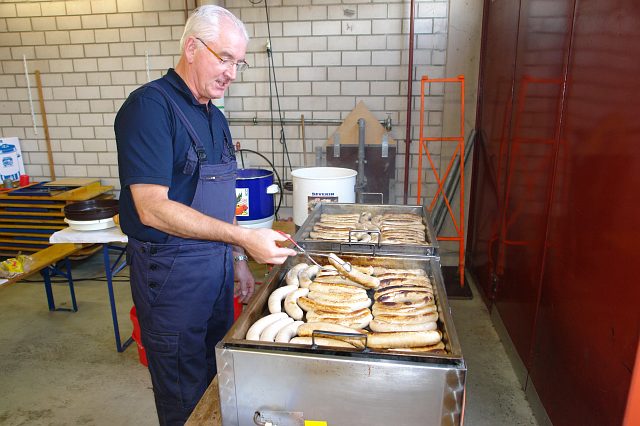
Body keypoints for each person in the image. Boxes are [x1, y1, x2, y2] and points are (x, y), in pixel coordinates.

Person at [114, 5, 297, 425]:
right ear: (192, 48)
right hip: (171, 279)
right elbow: (151, 208)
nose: (232, 73)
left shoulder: (215, 117)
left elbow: (220, 199)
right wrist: (243, 239)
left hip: (215, 270)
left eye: (239, 63)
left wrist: (237, 259)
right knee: (183, 392)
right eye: (225, 58)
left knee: (220, 380)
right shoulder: (149, 109)